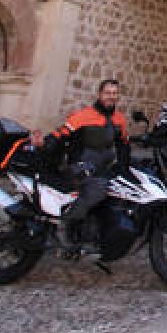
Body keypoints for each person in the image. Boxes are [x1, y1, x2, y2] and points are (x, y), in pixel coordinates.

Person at [45, 79, 130, 243]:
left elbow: (124, 146)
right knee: (98, 189)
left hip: (103, 168)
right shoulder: (82, 116)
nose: (111, 97)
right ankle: (65, 224)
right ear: (99, 94)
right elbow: (59, 136)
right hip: (79, 169)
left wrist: (125, 169)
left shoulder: (120, 119)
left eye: (114, 93)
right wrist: (43, 145)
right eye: (107, 93)